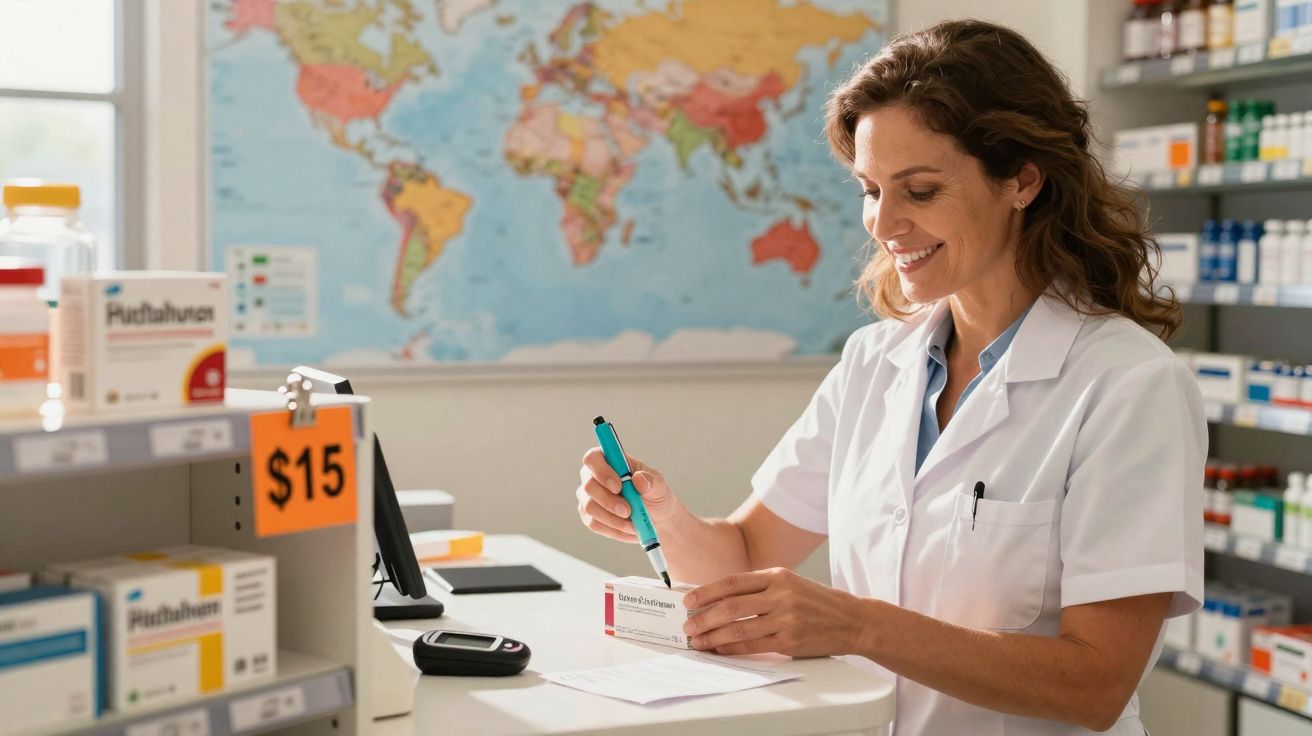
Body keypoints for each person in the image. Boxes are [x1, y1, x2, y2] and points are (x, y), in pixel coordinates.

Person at [575, 19, 1203, 736]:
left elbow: (1097, 681)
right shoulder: (874, 363)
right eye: (871, 189)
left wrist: (860, 626)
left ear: (1022, 180)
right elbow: (746, 553)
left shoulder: (1126, 385)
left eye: (921, 190)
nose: (882, 222)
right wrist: (661, 516)